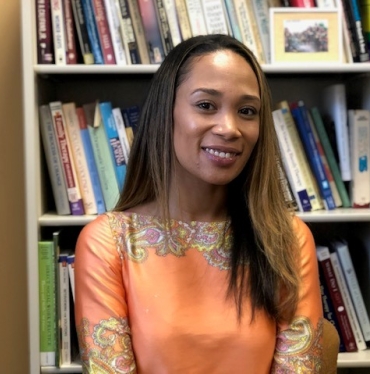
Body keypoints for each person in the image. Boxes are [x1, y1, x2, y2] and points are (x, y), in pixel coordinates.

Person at [75, 34, 339, 374]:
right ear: (165, 112)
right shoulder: (108, 242)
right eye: (205, 105)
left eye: (247, 111)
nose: (229, 128)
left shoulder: (287, 239)